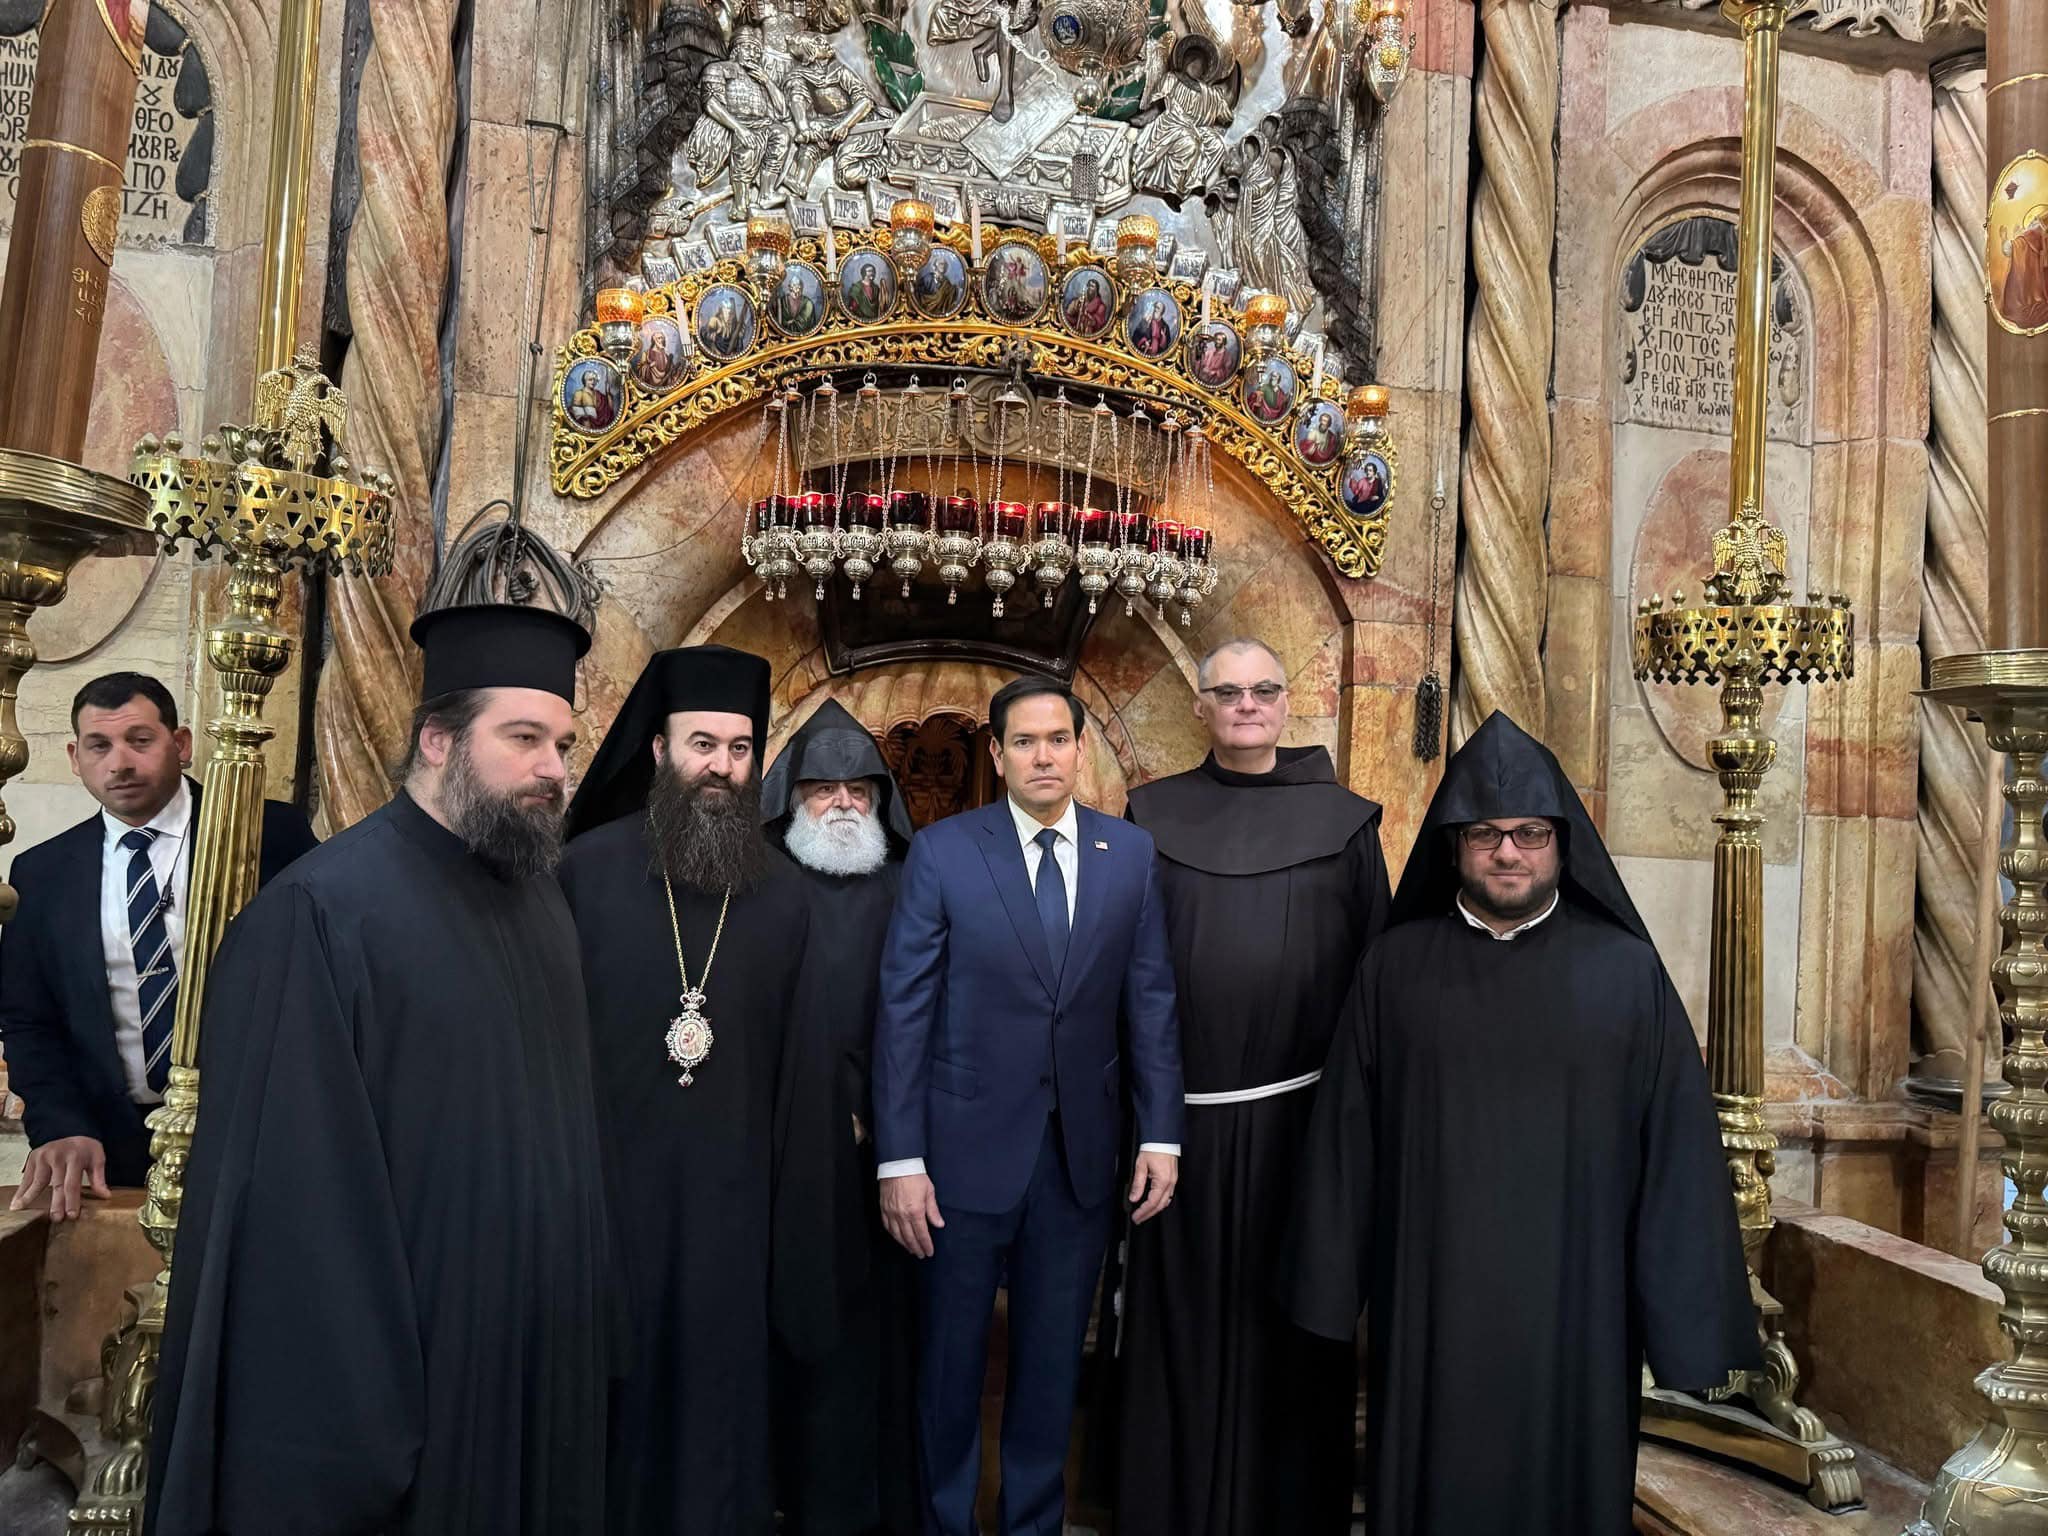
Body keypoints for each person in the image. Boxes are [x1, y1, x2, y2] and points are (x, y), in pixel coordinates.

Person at [147, 603, 612, 1536]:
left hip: (532, 1361)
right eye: (523, 738)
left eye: (563, 742)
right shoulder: (317, 914)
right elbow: (295, 1213)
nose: (555, 769)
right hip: (414, 1373)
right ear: (437, 740)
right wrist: (369, 1416)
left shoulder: (541, 902)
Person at [1280, 712, 1760, 1536]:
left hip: (1578, 1304)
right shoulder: (1396, 970)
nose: (1509, 852)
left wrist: (1684, 1320)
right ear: (1455, 846)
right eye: (1488, 835)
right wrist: (1326, 1288)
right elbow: (1344, 1142)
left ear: (1562, 844)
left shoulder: (1625, 974)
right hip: (1429, 1295)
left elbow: (1677, 1156)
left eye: (1530, 834)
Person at [874, 674, 1183, 1536]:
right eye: (1025, 742)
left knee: (1051, 1371)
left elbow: (1149, 999)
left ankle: (1033, 1525)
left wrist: (1161, 1135)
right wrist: (899, 1159)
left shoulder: (1133, 856)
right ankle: (944, 1523)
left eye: (1058, 739)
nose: (1043, 755)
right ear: (999, 754)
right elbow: (904, 1011)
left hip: (1081, 1164)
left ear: (1081, 749)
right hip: (959, 1161)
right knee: (950, 1368)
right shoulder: (944, 852)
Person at [560, 645, 838, 1534]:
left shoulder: (787, 897)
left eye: (741, 748)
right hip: (607, 1203)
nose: (722, 766)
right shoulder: (583, 875)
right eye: (702, 744)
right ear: (657, 751)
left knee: (719, 1415)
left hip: (733, 1211)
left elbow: (805, 1074)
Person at [1115, 639, 1389, 1536]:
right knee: (1179, 1332)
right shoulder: (1149, 816)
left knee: (1293, 1328)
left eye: (1261, 691)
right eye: (1226, 693)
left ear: (1286, 702)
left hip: (1301, 1128)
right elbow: (1127, 977)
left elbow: (1371, 983)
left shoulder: (1345, 825)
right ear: (1200, 708)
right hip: (1175, 1133)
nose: (1244, 705)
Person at [0, 672, 316, 1218]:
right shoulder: (42, 872)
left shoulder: (271, 836)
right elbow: (30, 1019)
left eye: (140, 741)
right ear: (76, 757)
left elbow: (322, 985)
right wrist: (59, 1125)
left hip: (266, 1135)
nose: (119, 763)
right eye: (99, 746)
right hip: (112, 1148)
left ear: (182, 744)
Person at [761, 699, 920, 1536]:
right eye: (821, 788)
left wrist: (873, 1120)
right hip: (777, 1155)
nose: (843, 805)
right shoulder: (754, 880)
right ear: (790, 796)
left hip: (879, 1160)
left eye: (858, 788)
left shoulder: (907, 880)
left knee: (871, 1346)